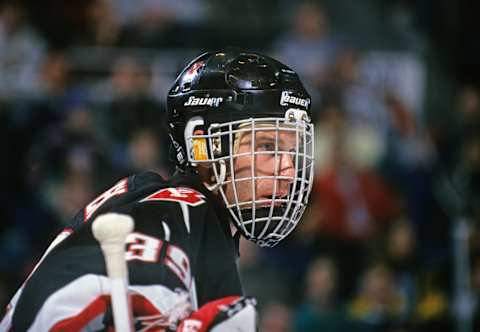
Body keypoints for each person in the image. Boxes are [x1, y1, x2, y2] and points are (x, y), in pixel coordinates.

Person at [0, 48, 314, 331]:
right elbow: (53, 311)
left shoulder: (178, 214)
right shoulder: (176, 213)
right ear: (204, 145)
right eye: (268, 146)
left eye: (292, 151)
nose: (288, 169)